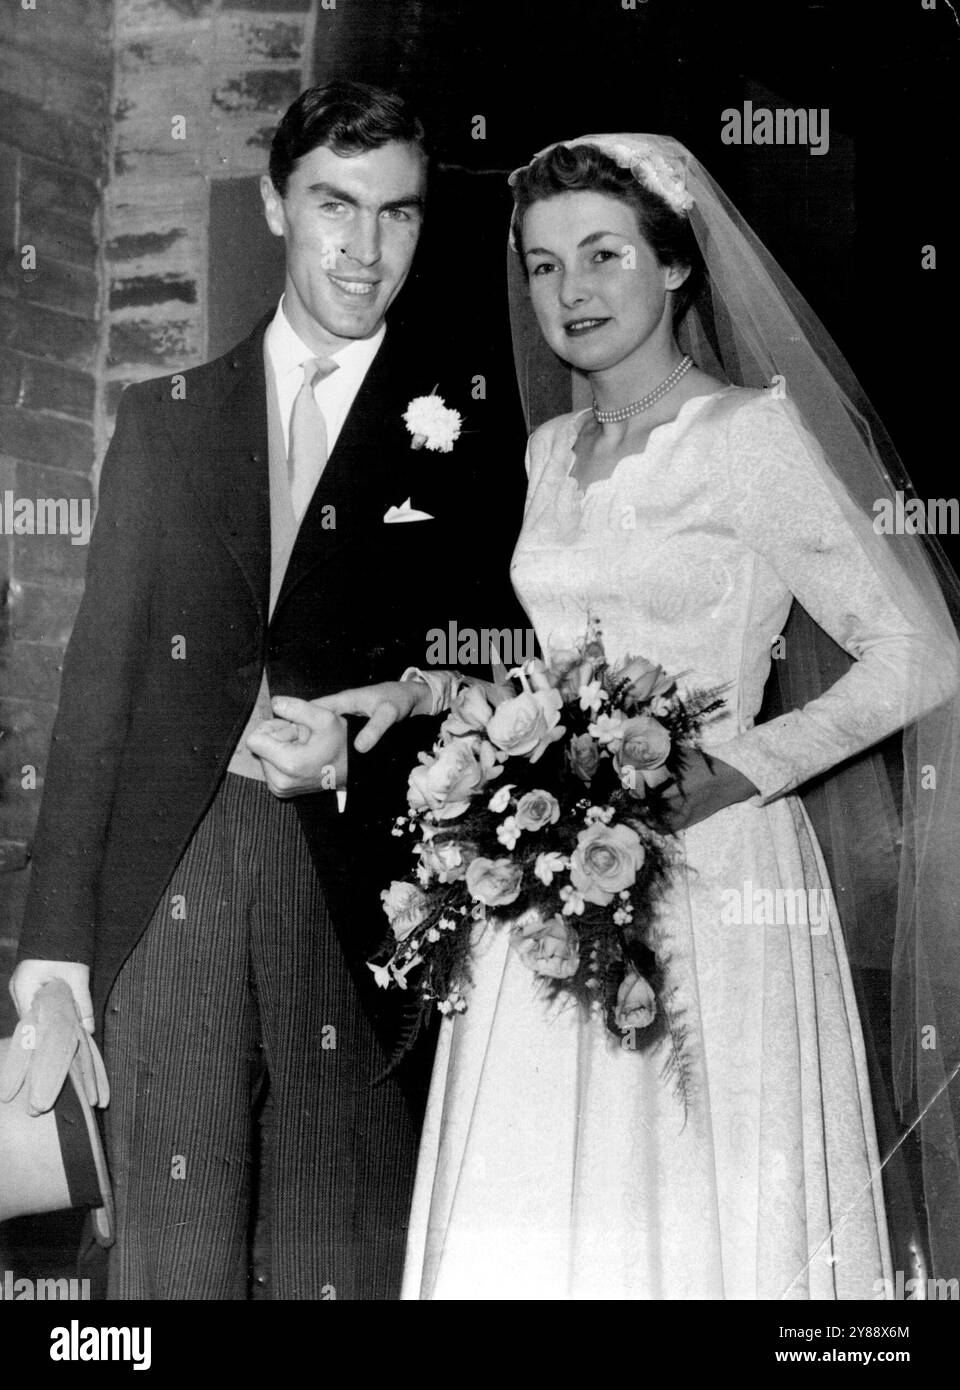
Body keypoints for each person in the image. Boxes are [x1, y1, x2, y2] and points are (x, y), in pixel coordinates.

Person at [319, 134, 960, 1299]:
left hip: (716, 880)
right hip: (548, 891)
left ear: (673, 267)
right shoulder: (553, 449)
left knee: (693, 1199)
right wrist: (428, 695)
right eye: (545, 266)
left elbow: (921, 650)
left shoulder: (747, 437)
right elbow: (561, 678)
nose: (572, 293)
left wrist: (742, 767)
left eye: (604, 256)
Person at [7, 80, 523, 1300]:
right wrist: (54, 959)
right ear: (276, 205)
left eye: (397, 214)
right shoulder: (166, 419)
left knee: (340, 1245)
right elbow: (97, 693)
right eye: (334, 205)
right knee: (171, 1259)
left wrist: (362, 747)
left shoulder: (482, 431)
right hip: (170, 874)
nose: (365, 246)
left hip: (363, 898)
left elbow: (506, 671)